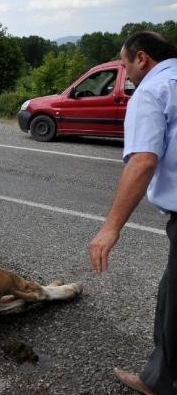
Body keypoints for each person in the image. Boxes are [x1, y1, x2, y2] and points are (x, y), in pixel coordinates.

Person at [89, 31, 177, 395]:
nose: (125, 71)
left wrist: (110, 228)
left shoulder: (153, 91)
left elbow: (142, 161)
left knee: (174, 304)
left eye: (124, 63)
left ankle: (161, 382)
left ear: (141, 58)